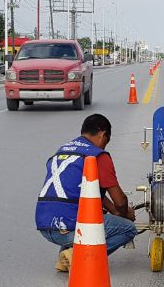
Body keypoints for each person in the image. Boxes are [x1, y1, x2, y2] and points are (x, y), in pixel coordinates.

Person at [35, 113, 138, 272]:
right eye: (107, 141)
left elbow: (89, 190)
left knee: (74, 210)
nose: (105, 146)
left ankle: (66, 256)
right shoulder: (97, 156)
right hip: (70, 228)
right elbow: (120, 201)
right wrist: (125, 214)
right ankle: (78, 256)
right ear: (103, 135)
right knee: (128, 229)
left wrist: (114, 212)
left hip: (45, 226)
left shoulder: (62, 150)